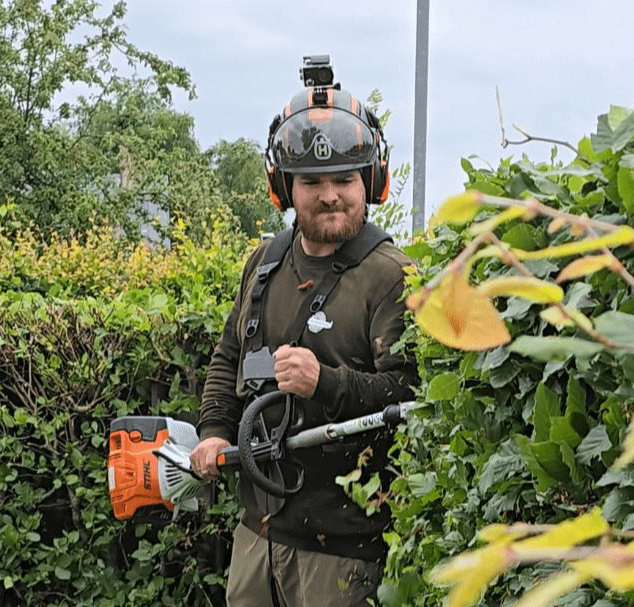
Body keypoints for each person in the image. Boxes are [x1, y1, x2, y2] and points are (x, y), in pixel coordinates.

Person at [189, 65, 418, 607]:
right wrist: (215, 430)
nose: (330, 195)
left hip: (342, 552)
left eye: (344, 179)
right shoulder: (265, 263)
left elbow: (411, 394)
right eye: (312, 182)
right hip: (256, 538)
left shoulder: (393, 276)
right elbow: (230, 355)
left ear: (372, 180)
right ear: (284, 188)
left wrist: (327, 383)